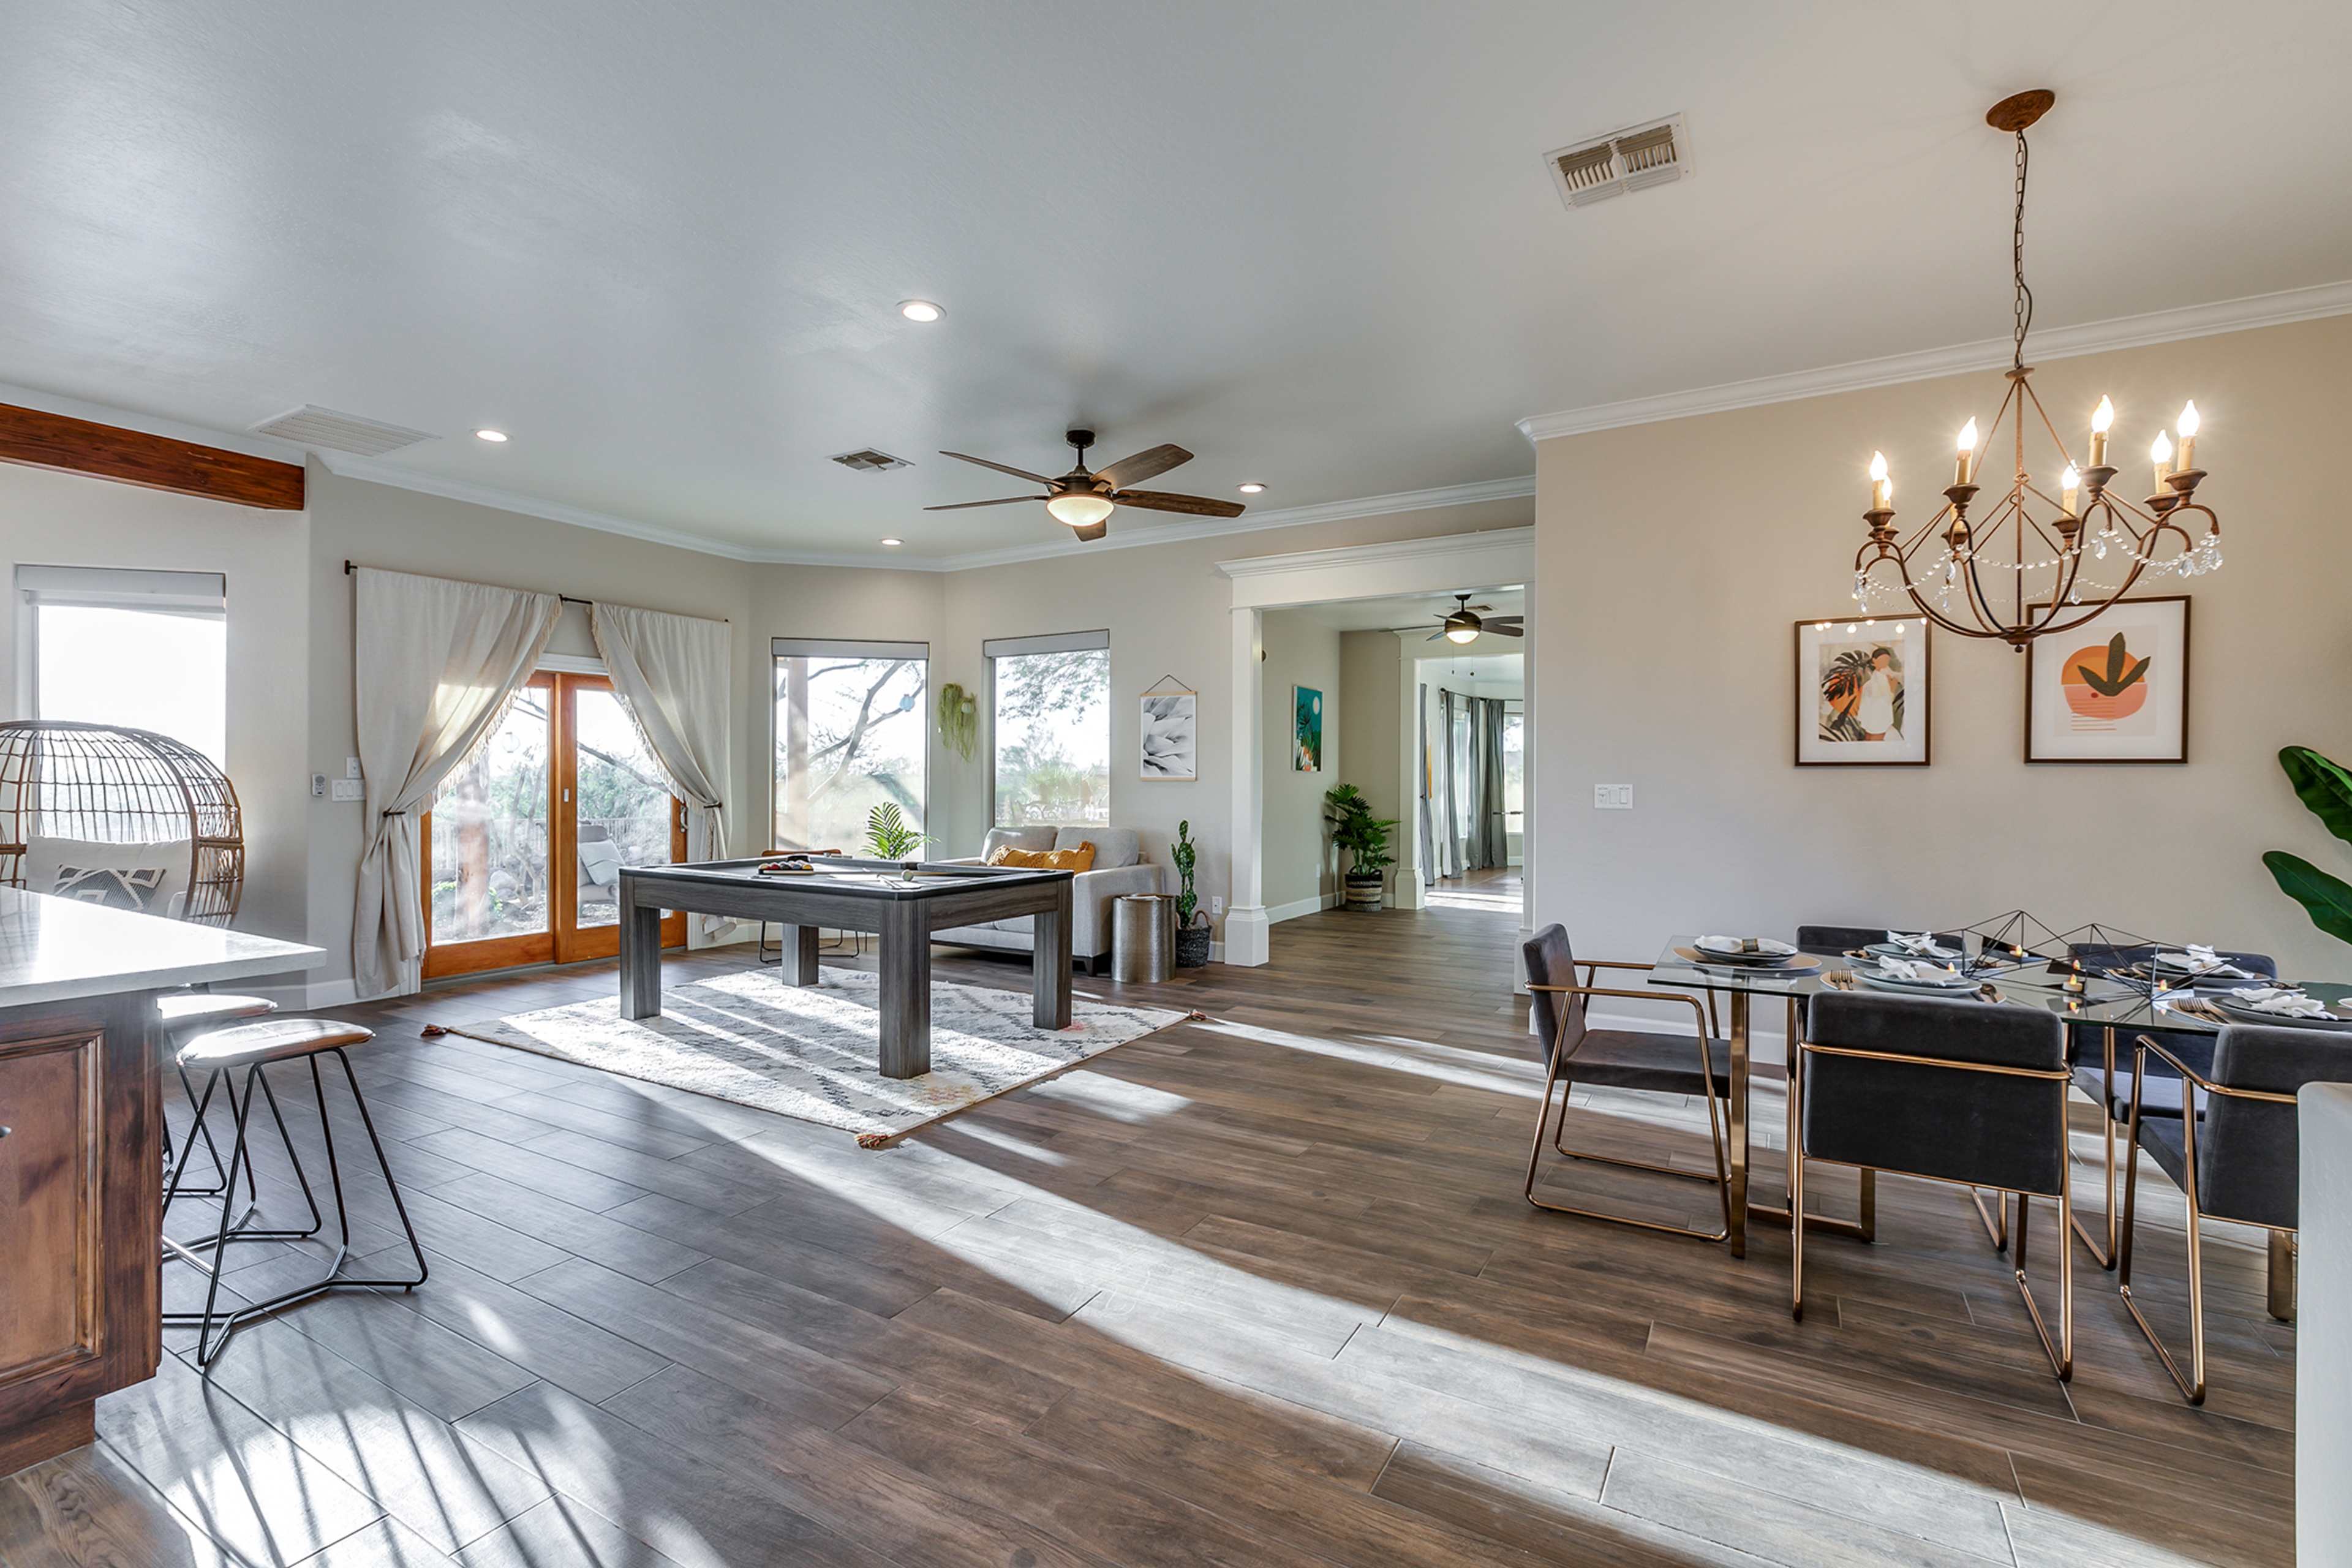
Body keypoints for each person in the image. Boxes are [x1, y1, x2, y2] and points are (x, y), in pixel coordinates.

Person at [1856, 646, 1901, 740]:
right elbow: (1884, 699)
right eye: (1883, 660)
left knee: (1875, 737)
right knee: (1873, 737)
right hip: (1876, 715)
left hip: (1879, 715)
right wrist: (1892, 688)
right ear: (1874, 660)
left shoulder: (1885, 673)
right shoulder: (1875, 680)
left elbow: (1895, 676)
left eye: (1887, 660)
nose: (1885, 662)